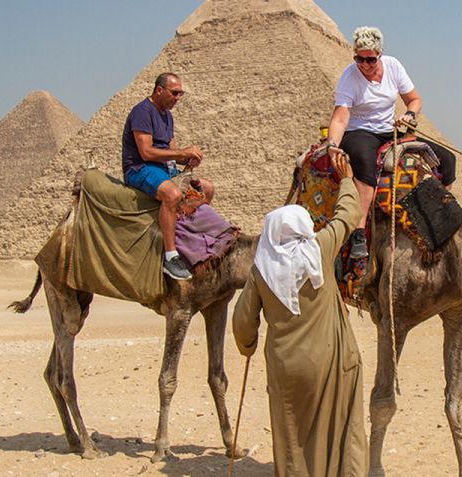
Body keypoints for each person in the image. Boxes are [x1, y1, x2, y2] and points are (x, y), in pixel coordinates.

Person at [232, 155, 367, 476]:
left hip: (286, 369)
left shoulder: (261, 272)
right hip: (332, 361)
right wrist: (347, 179)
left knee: (292, 439)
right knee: (342, 429)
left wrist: (248, 346)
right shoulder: (320, 248)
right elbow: (349, 214)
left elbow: (242, 324)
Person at [325, 26, 457, 258]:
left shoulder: (393, 66)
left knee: (447, 160)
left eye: (370, 59)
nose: (364, 65)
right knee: (365, 167)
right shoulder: (350, 77)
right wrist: (333, 144)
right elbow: (340, 117)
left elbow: (414, 100)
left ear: (380, 53)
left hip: (391, 130)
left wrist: (409, 115)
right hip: (360, 131)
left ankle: (440, 216)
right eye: (359, 58)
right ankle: (358, 234)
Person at [122, 72, 214, 280]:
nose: (178, 98)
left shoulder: (167, 115)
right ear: (159, 90)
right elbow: (146, 152)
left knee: (206, 188)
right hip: (139, 168)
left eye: (181, 94)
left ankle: (188, 236)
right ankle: (170, 256)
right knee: (172, 194)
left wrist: (188, 159)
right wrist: (182, 153)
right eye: (175, 93)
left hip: (163, 169)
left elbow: (171, 152)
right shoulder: (142, 112)